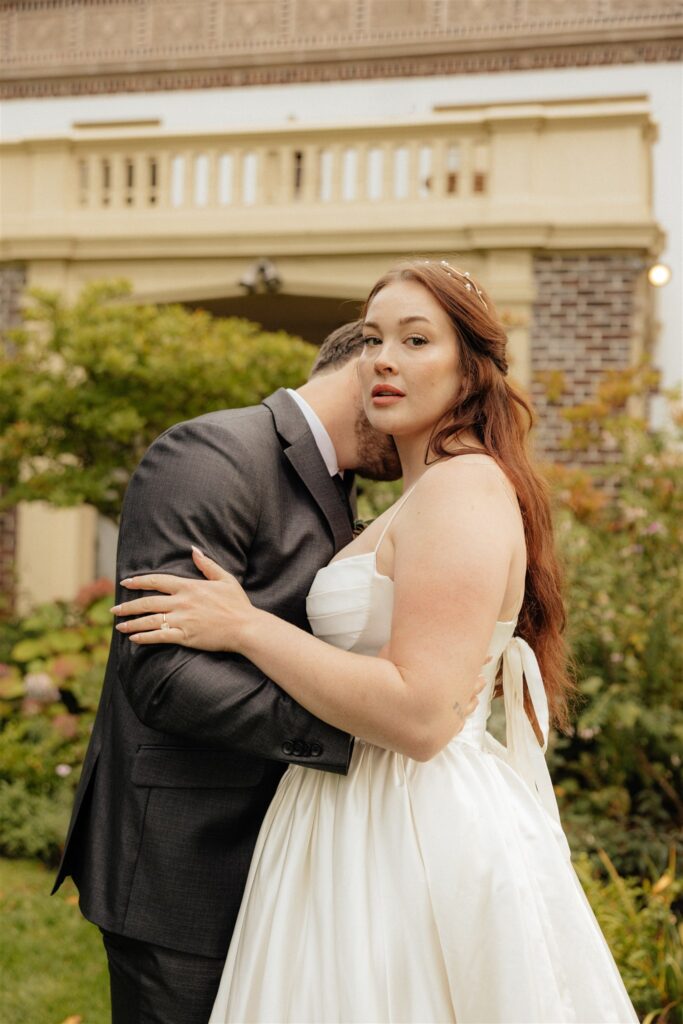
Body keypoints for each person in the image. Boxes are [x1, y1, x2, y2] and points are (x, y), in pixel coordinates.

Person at [114, 260, 637, 1023]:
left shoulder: (461, 489)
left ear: (472, 370)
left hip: (404, 826)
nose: (382, 359)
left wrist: (244, 625)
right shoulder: (419, 496)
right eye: (373, 337)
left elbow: (420, 716)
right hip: (344, 814)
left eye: (415, 339)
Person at [52, 320, 425, 1024]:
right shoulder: (213, 453)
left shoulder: (337, 486)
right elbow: (162, 674)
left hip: (278, 852)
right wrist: (362, 728)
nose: (415, 437)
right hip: (182, 862)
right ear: (367, 368)